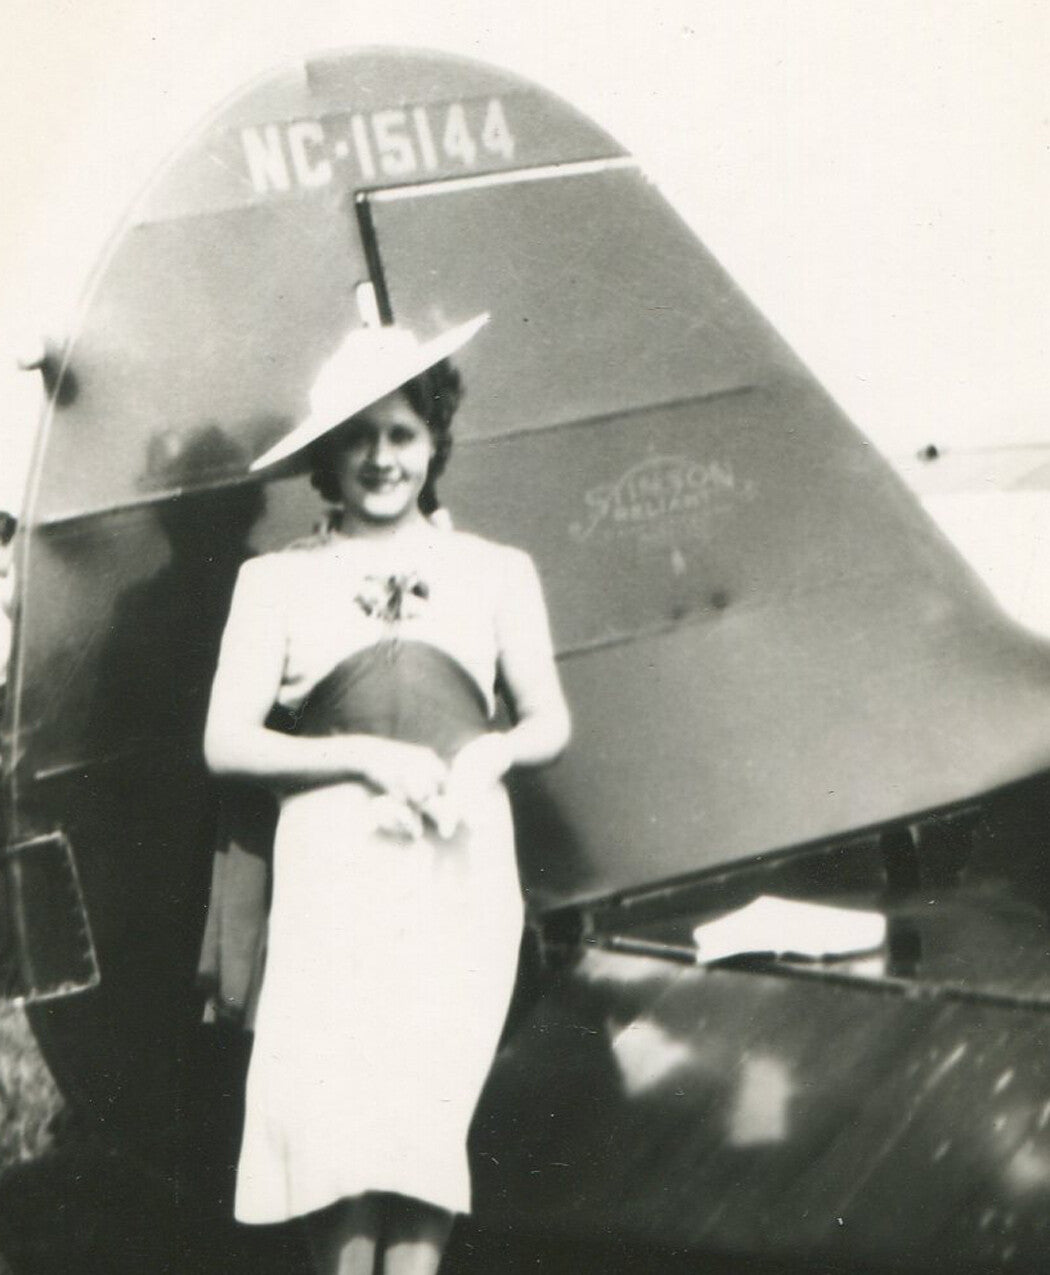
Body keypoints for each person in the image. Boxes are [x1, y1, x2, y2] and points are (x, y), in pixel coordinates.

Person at [202, 312, 571, 1275]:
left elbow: (546, 722)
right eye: (359, 436)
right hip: (334, 880)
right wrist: (368, 756)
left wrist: (490, 757)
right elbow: (226, 744)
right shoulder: (273, 582)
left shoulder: (496, 571)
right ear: (328, 453)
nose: (381, 457)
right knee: (332, 1132)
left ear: (434, 439)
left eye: (402, 433)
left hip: (460, 875)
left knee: (421, 1124)